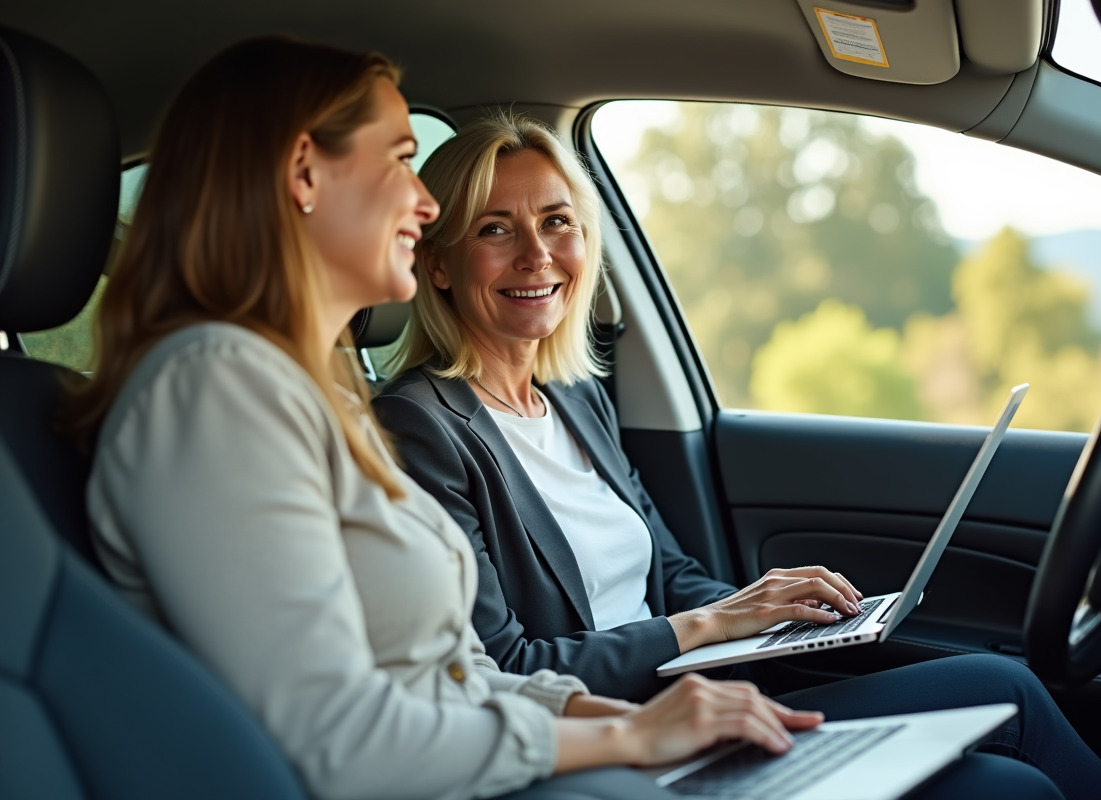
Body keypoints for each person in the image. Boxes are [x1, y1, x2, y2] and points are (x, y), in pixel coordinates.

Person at [66, 36, 853, 800]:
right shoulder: (213, 390)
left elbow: (450, 669)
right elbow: (334, 737)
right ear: (305, 171)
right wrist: (628, 740)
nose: (425, 200)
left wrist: (620, 721)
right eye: (402, 159)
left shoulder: (309, 395)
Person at [372, 110, 1101, 800]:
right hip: (616, 742)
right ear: (437, 263)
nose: (538, 253)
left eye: (557, 221)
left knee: (1004, 685)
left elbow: (667, 575)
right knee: (1005, 786)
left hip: (707, 701)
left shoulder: (574, 398)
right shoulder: (418, 430)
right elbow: (504, 668)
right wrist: (709, 626)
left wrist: (777, 614)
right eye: (495, 229)